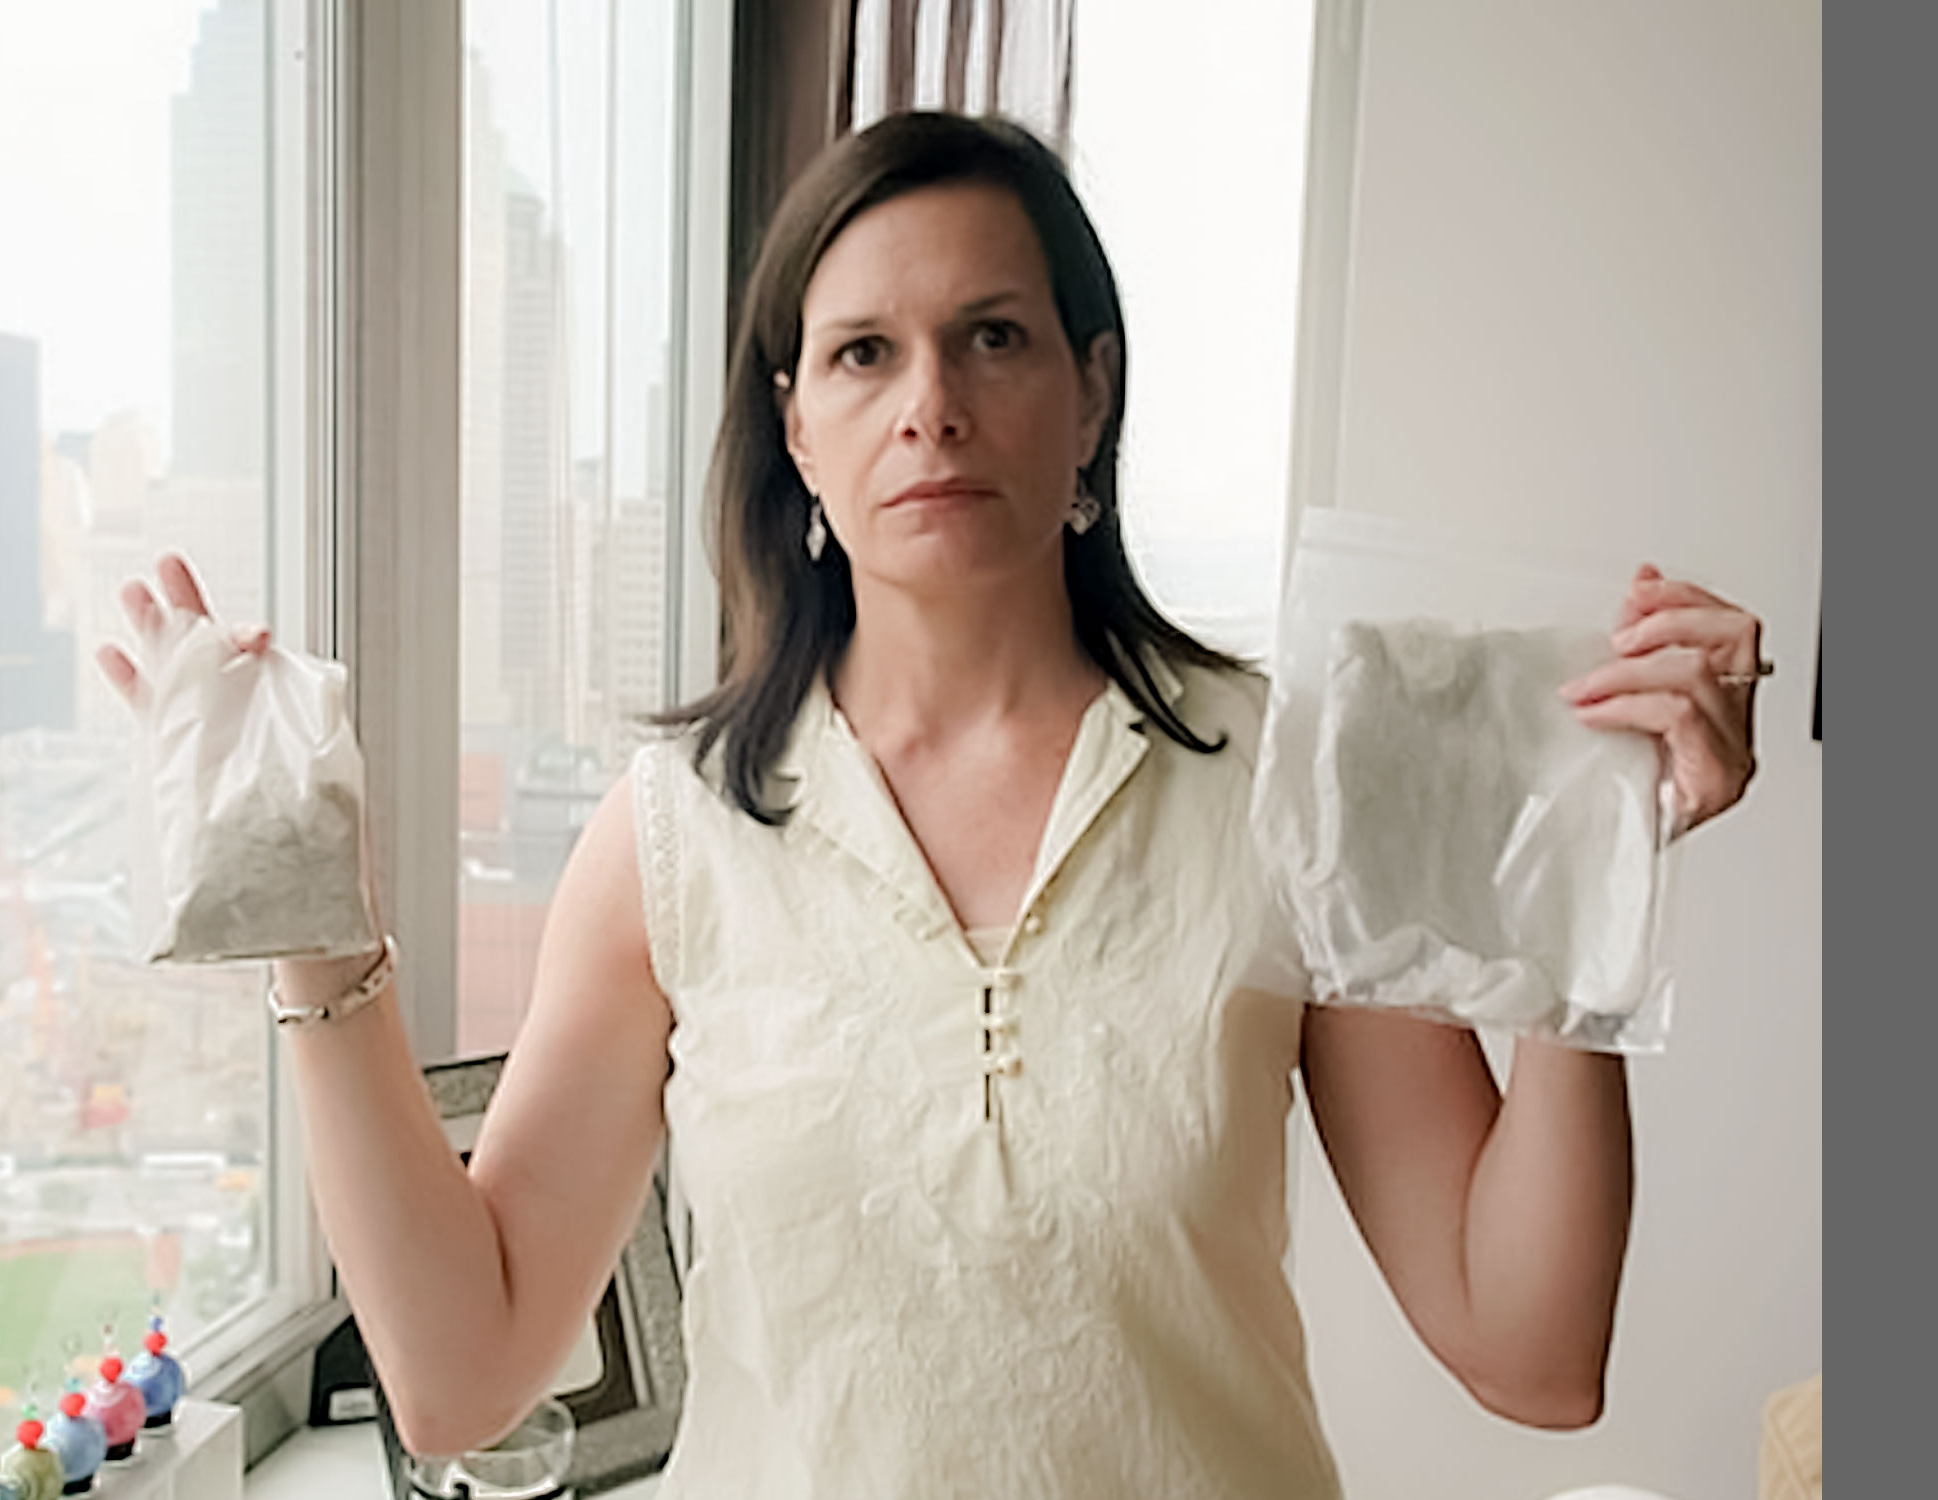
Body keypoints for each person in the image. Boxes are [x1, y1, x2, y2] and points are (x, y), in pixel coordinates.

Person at [97, 111, 1769, 1497]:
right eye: (864, 354)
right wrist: (315, 938)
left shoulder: (1285, 782)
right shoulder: (676, 831)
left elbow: (1533, 1354)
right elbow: (464, 1376)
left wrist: (1577, 883)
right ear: (796, 429)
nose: (933, 406)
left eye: (993, 336)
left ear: (1091, 390)